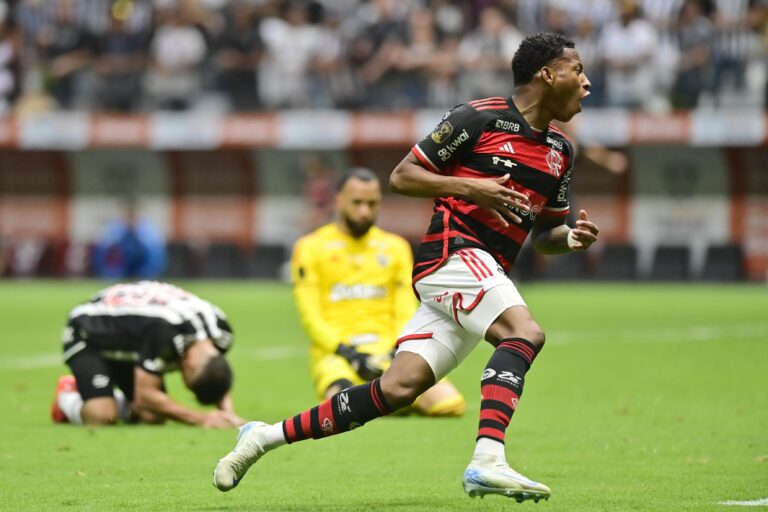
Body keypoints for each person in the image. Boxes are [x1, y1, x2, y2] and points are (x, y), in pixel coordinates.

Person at [213, 32, 599, 503]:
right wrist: (474, 189)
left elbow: (546, 235)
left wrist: (570, 239)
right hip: (450, 255)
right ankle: (487, 460)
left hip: (485, 271)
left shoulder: (562, 151)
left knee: (398, 388)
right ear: (547, 73)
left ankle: (261, 437)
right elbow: (402, 176)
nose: (586, 83)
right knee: (525, 333)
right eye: (577, 71)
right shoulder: (476, 118)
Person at [291, 167, 465, 415]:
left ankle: (385, 398)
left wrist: (398, 349)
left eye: (371, 203)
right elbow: (310, 316)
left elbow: (405, 307)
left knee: (449, 405)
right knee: (341, 409)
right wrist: (347, 352)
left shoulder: (395, 247)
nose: (364, 211)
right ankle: (388, 400)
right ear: (339, 201)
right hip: (338, 357)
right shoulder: (310, 247)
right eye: (357, 203)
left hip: (389, 353)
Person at [51, 281, 244, 428]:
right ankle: (67, 395)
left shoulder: (222, 333)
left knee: (154, 416)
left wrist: (228, 414)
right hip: (88, 334)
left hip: (129, 342)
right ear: (190, 364)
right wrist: (201, 419)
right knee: (101, 415)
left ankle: (112, 397)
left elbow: (218, 371)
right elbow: (145, 395)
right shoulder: (164, 331)